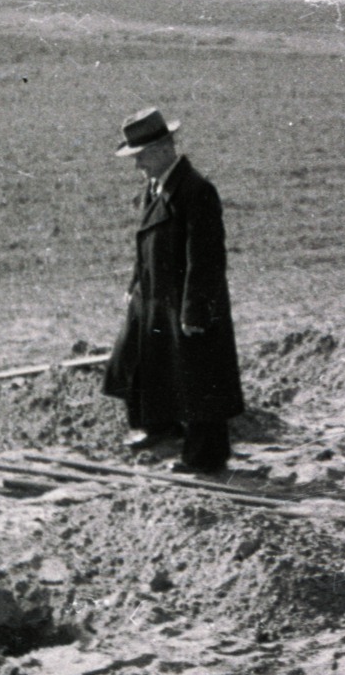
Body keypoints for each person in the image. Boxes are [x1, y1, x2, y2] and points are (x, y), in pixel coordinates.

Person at [102, 107, 245, 474]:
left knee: (201, 381)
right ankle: (158, 427)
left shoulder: (196, 191)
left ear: (165, 148)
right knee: (144, 362)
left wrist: (195, 310)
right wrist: (135, 285)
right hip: (155, 297)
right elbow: (145, 243)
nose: (138, 166)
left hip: (187, 303)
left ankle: (206, 460)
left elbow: (207, 259)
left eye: (142, 157)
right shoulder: (156, 188)